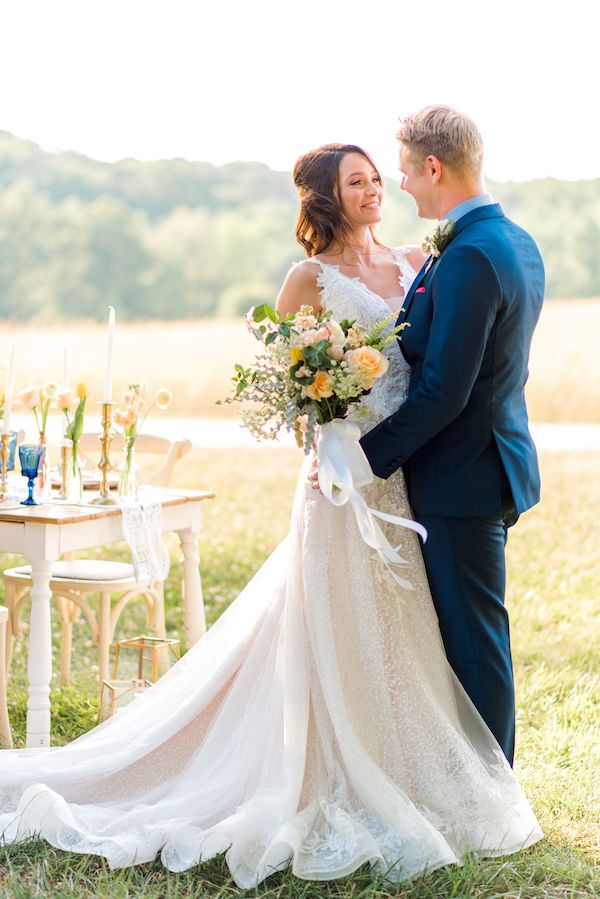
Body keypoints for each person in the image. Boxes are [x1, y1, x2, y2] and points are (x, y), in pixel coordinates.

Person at [0, 142, 542, 889]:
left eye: (379, 177)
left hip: (394, 482)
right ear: (327, 195)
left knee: (404, 632)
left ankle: (409, 770)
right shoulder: (307, 278)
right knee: (335, 624)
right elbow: (285, 384)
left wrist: (373, 452)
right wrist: (328, 437)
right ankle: (319, 765)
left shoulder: (421, 260)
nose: (375, 188)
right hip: (340, 479)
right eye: (358, 181)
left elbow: (438, 364)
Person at [359, 106, 545, 766]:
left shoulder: (470, 254)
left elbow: (446, 390)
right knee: (469, 632)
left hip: (462, 474)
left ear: (433, 167)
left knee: (473, 641)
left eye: (405, 172)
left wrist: (364, 458)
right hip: (487, 463)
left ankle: (494, 795)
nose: (401, 185)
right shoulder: (514, 239)